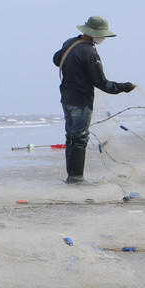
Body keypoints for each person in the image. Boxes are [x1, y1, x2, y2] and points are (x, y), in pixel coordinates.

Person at [52, 15, 136, 184]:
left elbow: (56, 59)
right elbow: (101, 83)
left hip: (67, 98)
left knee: (72, 136)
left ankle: (73, 176)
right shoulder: (90, 52)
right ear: (94, 33)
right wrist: (124, 87)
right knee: (79, 137)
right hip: (81, 100)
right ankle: (76, 178)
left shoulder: (70, 43)